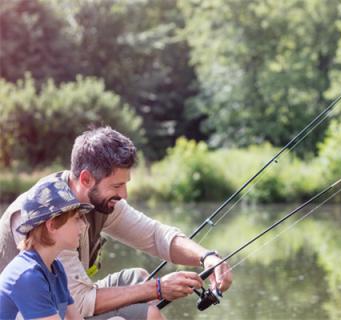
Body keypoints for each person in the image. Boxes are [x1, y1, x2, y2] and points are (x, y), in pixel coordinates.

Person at [0, 127, 232, 320]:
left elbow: (154, 235)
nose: (125, 194)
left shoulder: (97, 201)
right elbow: (79, 303)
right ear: (86, 179)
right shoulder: (46, 217)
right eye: (116, 186)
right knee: (149, 312)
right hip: (32, 312)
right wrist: (158, 289)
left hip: (66, 304)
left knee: (139, 278)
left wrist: (207, 257)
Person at [0, 180, 93, 319]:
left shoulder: (56, 268)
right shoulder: (28, 275)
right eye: (76, 218)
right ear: (52, 226)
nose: (83, 225)